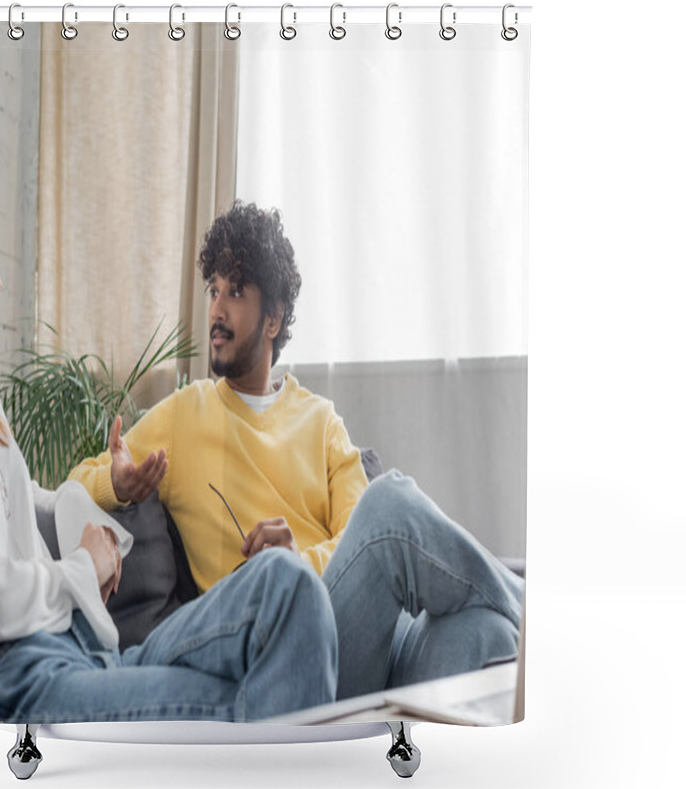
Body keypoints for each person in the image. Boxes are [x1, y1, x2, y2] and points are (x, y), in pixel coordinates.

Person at [0, 153, 338, 723]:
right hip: (6, 676)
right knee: (252, 703)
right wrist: (82, 568)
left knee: (287, 580)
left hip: (76, 648)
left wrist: (99, 529)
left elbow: (21, 498)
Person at [71, 200, 525, 701]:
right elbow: (73, 484)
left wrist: (300, 561)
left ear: (273, 319)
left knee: (488, 631)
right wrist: (115, 482)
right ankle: (537, 614)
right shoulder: (183, 415)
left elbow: (362, 539)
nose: (216, 310)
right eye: (213, 290)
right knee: (392, 499)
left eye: (236, 292)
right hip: (297, 649)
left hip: (376, 642)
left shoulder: (321, 420)